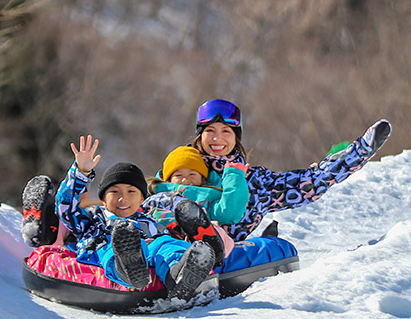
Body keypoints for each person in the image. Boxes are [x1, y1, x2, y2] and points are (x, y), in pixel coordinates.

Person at [187, 98, 391, 241]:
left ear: (235, 137)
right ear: (200, 135)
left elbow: (312, 181)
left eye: (226, 131)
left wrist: (360, 151)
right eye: (210, 131)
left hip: (218, 253)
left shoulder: (257, 182)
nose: (217, 139)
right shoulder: (182, 168)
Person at [53, 135, 221, 301]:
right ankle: (127, 268)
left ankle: (179, 276)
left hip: (148, 246)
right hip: (108, 245)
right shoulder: (93, 218)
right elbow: (65, 207)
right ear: (104, 199)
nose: (123, 198)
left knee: (166, 244)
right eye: (114, 191)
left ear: (142, 199)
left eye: (131, 191)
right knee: (110, 248)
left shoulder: (148, 218)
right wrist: (81, 173)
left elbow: (167, 221)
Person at [141, 145, 249, 260]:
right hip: (163, 236)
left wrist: (234, 175)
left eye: (192, 174)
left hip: (197, 241)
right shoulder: (155, 193)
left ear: (203, 178)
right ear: (168, 179)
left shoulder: (208, 198)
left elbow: (229, 212)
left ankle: (208, 245)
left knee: (215, 229)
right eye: (178, 175)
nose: (185, 180)